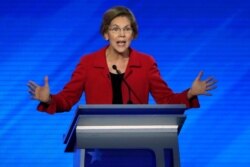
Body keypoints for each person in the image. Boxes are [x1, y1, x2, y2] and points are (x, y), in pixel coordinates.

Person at [27, 6, 216, 114]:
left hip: (138, 140)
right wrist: (49, 99)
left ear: (133, 34)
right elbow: (68, 99)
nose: (122, 34)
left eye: (127, 29)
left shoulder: (146, 63)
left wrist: (190, 93)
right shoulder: (88, 63)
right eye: (115, 29)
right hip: (97, 142)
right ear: (106, 34)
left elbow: (165, 99)